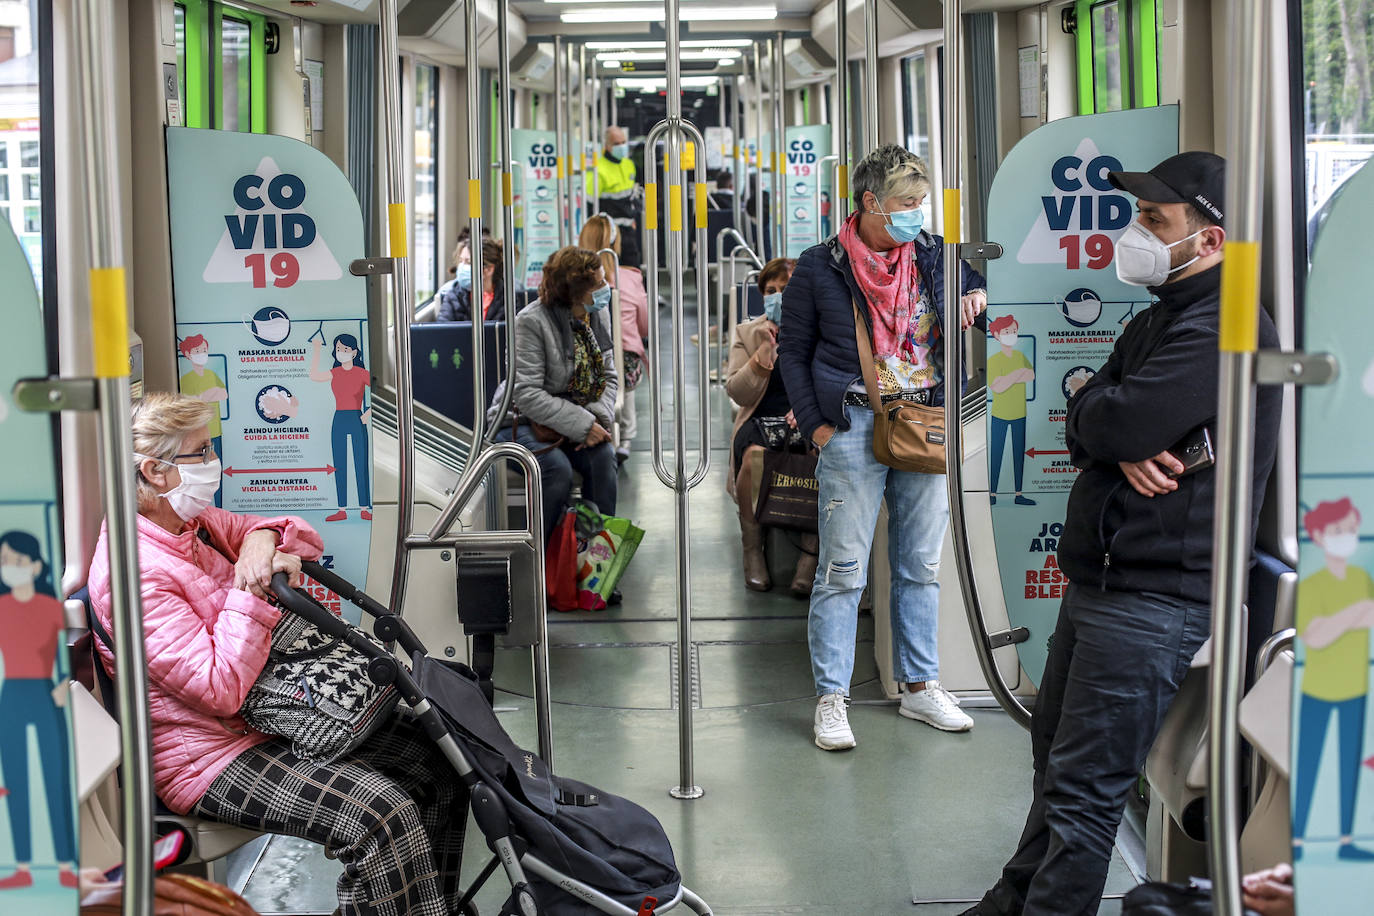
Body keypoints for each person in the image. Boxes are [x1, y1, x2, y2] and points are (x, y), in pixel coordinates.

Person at [962, 151, 1283, 916]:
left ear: (1210, 242)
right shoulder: (1159, 316)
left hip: (1155, 593)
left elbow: (1120, 414)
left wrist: (1115, 422)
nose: (1134, 233)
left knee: (1085, 792)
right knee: (1054, 759)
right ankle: (1013, 899)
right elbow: (1082, 414)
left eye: (1155, 220)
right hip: (1104, 579)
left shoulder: (1223, 326)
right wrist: (1111, 427)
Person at [86, 393, 469, 916]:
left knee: (440, 762)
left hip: (266, 722)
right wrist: (251, 593)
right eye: (201, 452)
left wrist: (259, 543)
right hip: (208, 756)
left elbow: (290, 532)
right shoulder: (132, 573)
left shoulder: (189, 529)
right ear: (155, 472)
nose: (212, 461)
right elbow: (219, 689)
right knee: (378, 815)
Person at [778, 144, 987, 750]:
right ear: (871, 202)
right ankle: (832, 698)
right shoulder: (821, 267)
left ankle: (920, 687)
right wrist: (817, 426)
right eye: (907, 203)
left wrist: (976, 295)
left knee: (919, 565)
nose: (917, 213)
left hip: (925, 422)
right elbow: (793, 352)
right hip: (851, 423)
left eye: (921, 202)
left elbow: (974, 291)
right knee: (842, 570)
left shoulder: (934, 257)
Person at [488, 246, 620, 546]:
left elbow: (609, 376)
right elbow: (525, 393)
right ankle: (543, 563)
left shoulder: (596, 315)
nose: (605, 288)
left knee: (603, 460)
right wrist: (581, 425)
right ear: (575, 292)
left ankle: (599, 563)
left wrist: (595, 419)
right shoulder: (531, 322)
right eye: (598, 284)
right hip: (519, 420)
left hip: (579, 416)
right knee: (555, 469)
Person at [725, 257, 818, 597]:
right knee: (752, 458)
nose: (778, 296)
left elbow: (832, 379)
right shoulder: (748, 333)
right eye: (771, 291)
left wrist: (808, 408)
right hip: (761, 419)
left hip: (808, 416)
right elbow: (737, 392)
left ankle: (809, 556)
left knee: (823, 454)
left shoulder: (821, 327)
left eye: (786, 289)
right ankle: (753, 551)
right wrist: (763, 354)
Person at [1291, 497, 1374, 862]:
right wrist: (1352, 614)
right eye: (1339, 531)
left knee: (1348, 769)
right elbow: (1316, 636)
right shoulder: (1315, 580)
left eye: (1350, 530)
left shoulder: (1360, 578)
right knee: (1309, 765)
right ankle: (1300, 841)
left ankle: (1345, 840)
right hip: (1319, 686)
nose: (1347, 537)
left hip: (1355, 685)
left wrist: (1341, 620)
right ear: (1321, 537)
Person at [0, 530, 78, 890]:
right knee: (16, 785)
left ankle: (64, 864)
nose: (9, 569)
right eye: (5, 563)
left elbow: (64, 652)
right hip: (12, 694)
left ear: (34, 565)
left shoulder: (51, 606)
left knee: (54, 781)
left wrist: (62, 685)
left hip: (48, 694)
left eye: (16, 562)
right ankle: (23, 866)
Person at [578, 213, 649, 464]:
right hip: (623, 362)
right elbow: (644, 325)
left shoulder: (574, 280)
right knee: (624, 364)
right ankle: (627, 435)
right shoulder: (630, 278)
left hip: (581, 362)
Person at [309, 333, 371, 522]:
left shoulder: (361, 373)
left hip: (356, 416)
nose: (341, 353)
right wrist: (317, 349)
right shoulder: (335, 372)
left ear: (354, 352)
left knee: (361, 463)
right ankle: (342, 509)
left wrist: (367, 414)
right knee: (339, 464)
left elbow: (381, 392)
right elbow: (314, 375)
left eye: (345, 349)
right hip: (339, 418)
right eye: (338, 349)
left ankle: (364, 508)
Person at [986, 314, 1036, 507]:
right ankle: (992, 493)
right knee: (996, 454)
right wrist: (1016, 374)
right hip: (999, 413)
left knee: (1018, 454)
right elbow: (997, 387)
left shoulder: (1020, 356)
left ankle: (1018, 494)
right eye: (1007, 332)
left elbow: (1030, 375)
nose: (1012, 335)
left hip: (1020, 412)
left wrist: (1007, 379)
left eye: (1014, 331)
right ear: (997, 335)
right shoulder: (994, 360)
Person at [176, 334, 228, 506]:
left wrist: (204, 396)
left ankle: (220, 508)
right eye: (198, 350)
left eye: (204, 350)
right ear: (188, 355)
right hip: (194, 436)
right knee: (197, 477)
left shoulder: (211, 374)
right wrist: (205, 396)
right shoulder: (185, 378)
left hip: (215, 432)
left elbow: (223, 393)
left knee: (217, 474)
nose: (202, 353)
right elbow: (186, 403)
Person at [436, 233, 522, 322]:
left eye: (468, 262)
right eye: (461, 261)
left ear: (488, 269)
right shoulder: (453, 297)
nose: (461, 267)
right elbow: (443, 331)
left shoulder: (508, 298)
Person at [589, 126, 641, 269]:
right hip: (608, 233)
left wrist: (634, 217)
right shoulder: (598, 169)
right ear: (607, 146)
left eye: (623, 142)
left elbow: (630, 196)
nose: (621, 146)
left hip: (628, 230)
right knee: (610, 272)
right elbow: (589, 204)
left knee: (633, 271)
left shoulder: (628, 165)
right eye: (617, 144)